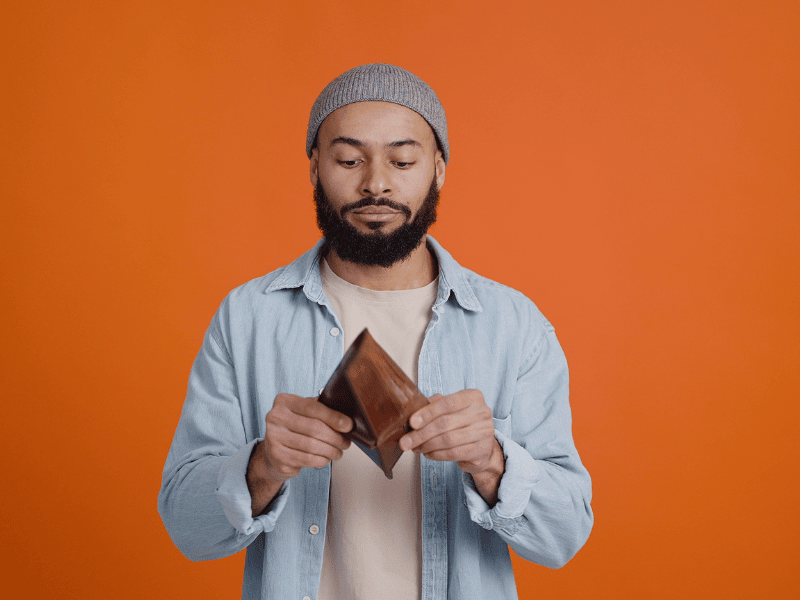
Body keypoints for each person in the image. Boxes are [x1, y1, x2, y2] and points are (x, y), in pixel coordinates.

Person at [158, 63, 593, 600]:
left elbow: (566, 535)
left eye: (403, 159)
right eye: (348, 159)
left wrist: (492, 462)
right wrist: (262, 465)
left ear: (437, 169)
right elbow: (186, 526)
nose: (376, 183)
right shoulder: (247, 318)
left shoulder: (512, 325)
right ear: (315, 168)